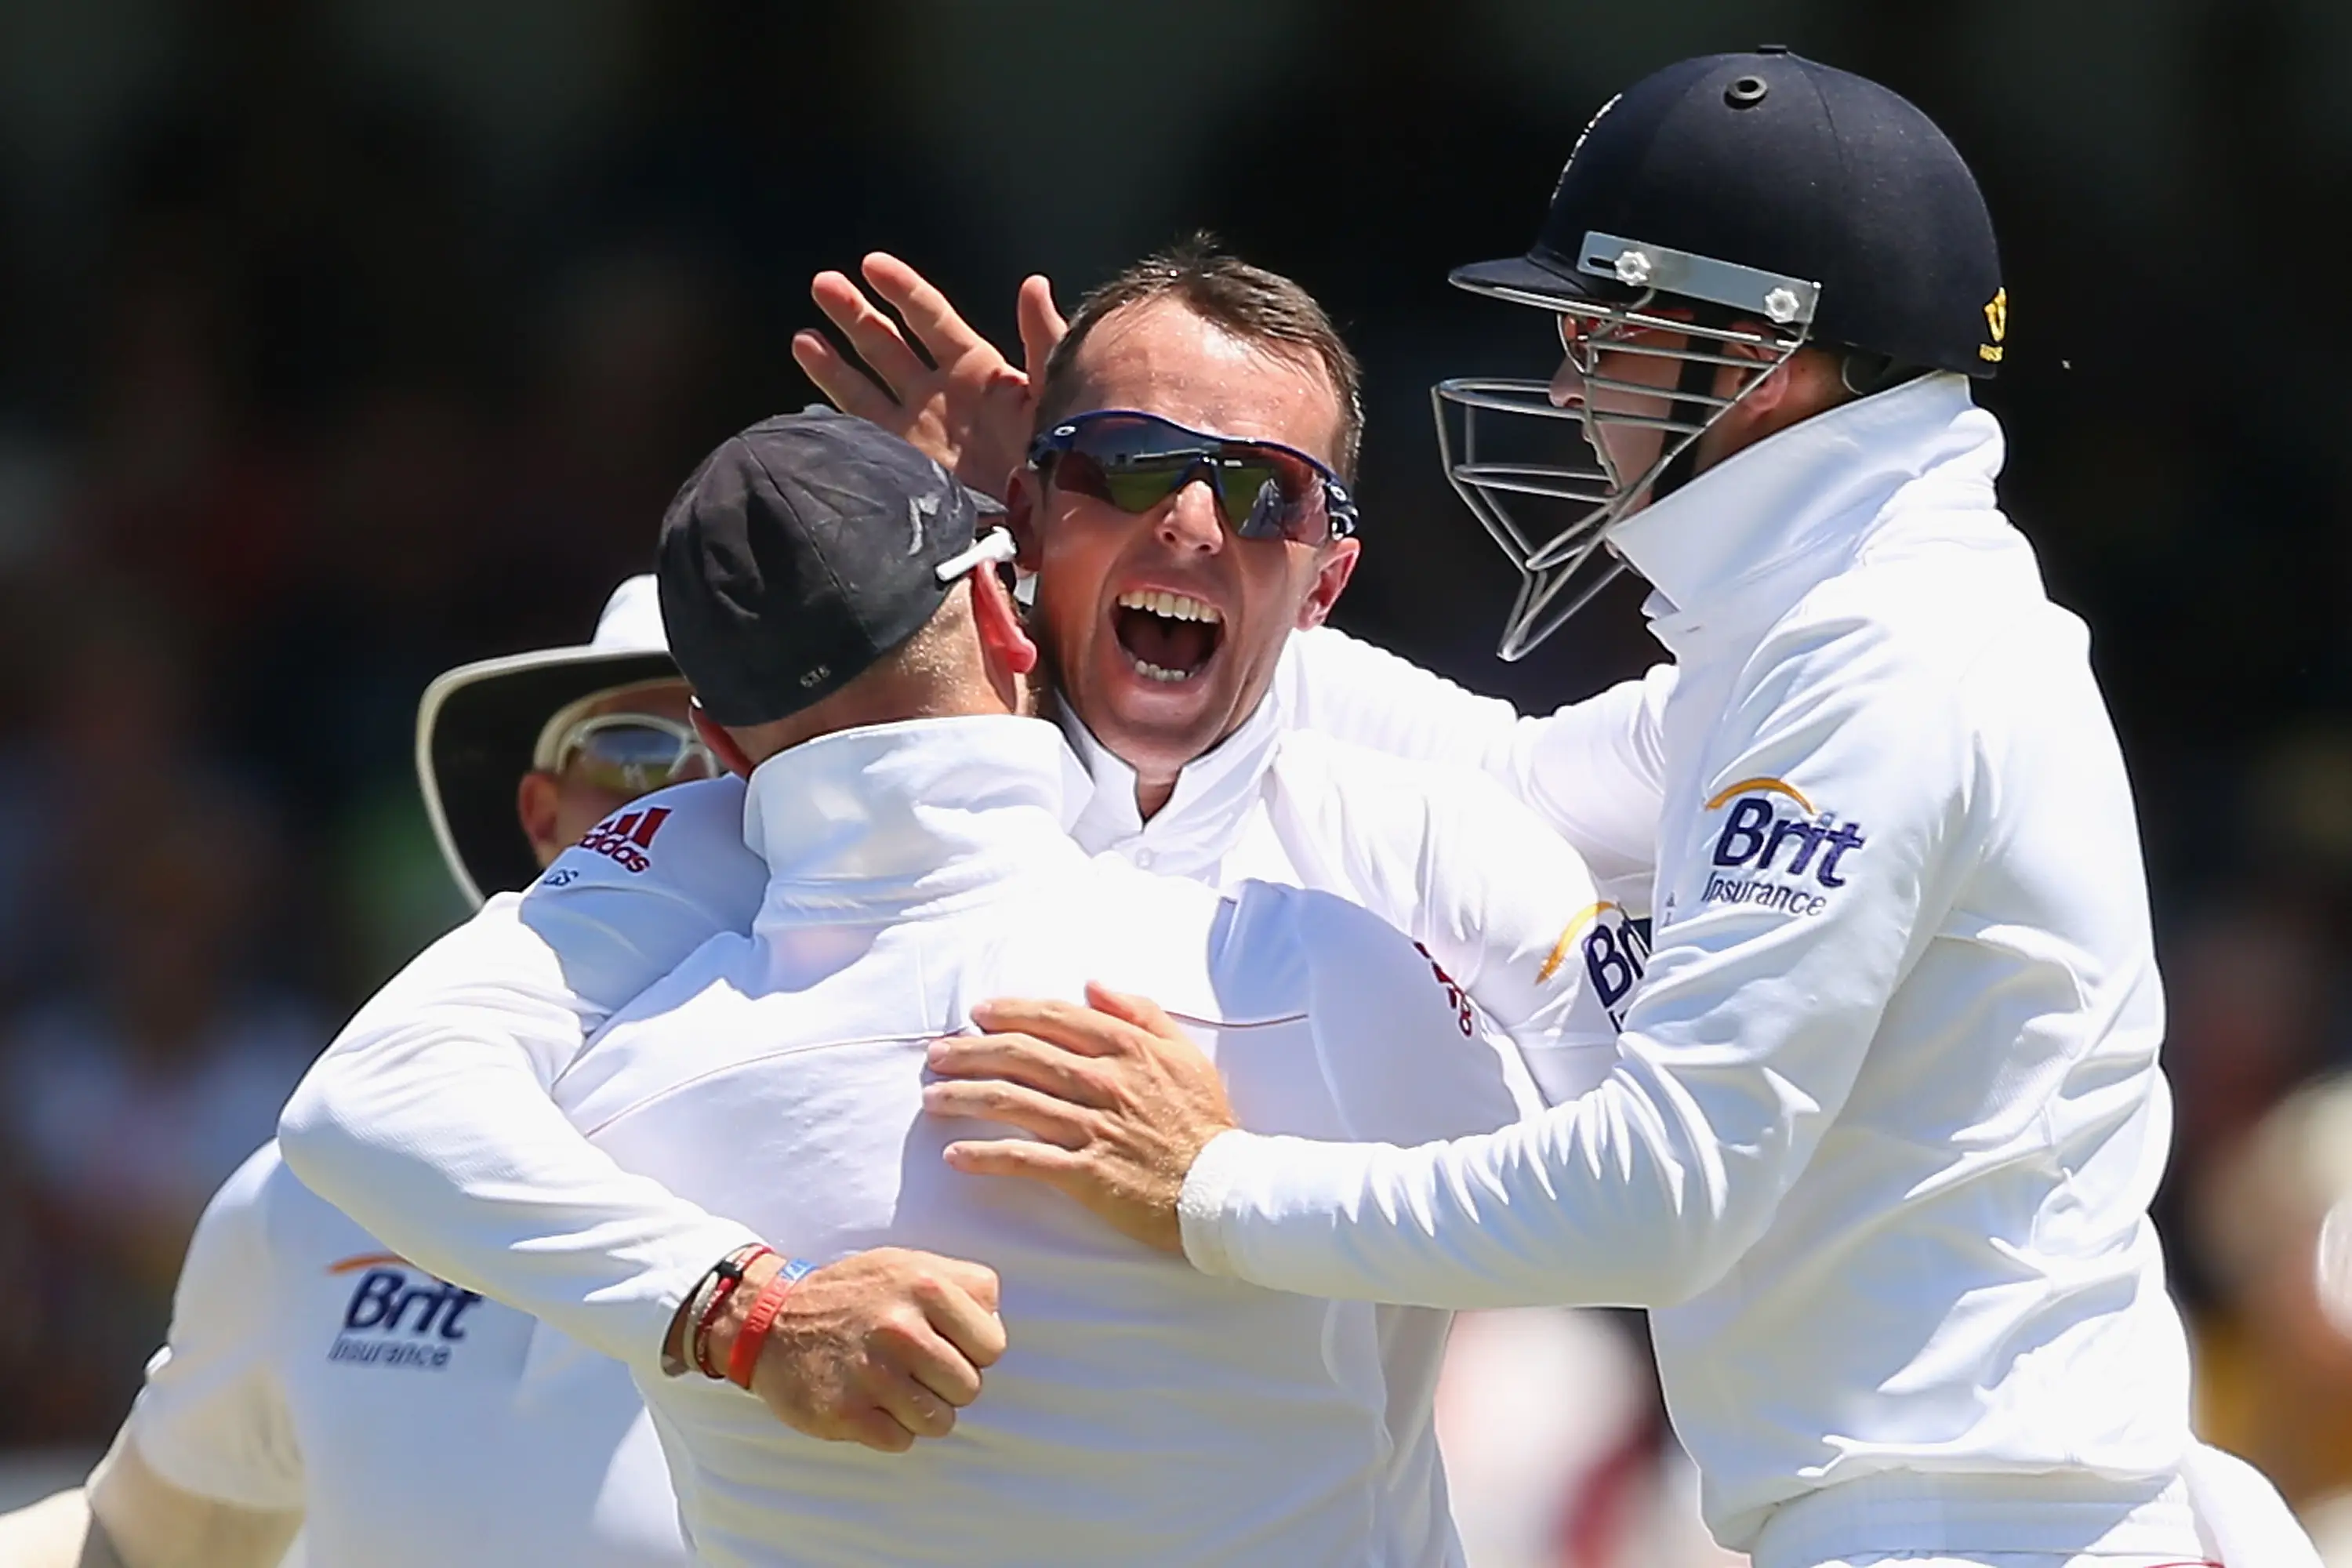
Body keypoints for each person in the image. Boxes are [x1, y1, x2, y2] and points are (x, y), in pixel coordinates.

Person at [917, 49, 2320, 1568]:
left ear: (1768, 358)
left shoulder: (1879, 667)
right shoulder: (1831, 632)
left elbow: (1668, 1188)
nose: (1574, 385)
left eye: (1607, 330)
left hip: (1966, 1530)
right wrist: (1135, 522)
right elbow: (1508, 779)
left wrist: (1212, 1183)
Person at [275, 248, 1657, 1557]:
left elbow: (1674, 1197)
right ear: (1018, 542)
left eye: (1262, 494)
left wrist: (1227, 1186)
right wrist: (747, 1308)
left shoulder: (1417, 844)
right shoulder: (721, 845)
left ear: (1328, 579)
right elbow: (374, 1098)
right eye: (1128, 467)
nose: (1185, 517)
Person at [523, 409, 1581, 1563]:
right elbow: (1634, 1209)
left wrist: (748, 1312)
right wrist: (1227, 1186)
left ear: (717, 745)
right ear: (1001, 618)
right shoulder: (1311, 971)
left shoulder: (600, 1088)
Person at [0, 577, 715, 1568]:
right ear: (541, 814)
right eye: (632, 754)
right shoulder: (311, 1192)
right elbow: (139, 1542)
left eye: (732, 771)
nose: (677, 812)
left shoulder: (922, 1159)